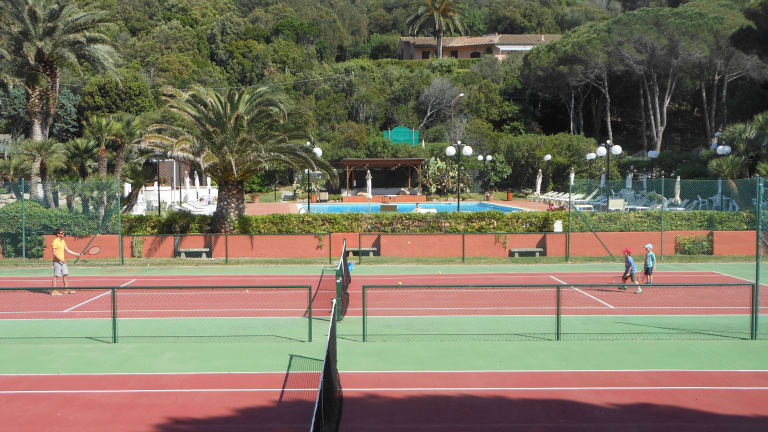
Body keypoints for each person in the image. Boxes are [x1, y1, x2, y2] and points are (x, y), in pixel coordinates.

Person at [51, 228, 82, 295]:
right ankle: (54, 291)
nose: (63, 234)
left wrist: (76, 254)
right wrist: (61, 260)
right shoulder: (55, 241)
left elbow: (67, 250)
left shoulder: (63, 241)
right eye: (62, 233)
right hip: (57, 261)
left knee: (65, 275)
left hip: (63, 261)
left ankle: (66, 289)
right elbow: (54, 253)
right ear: (58, 234)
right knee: (56, 276)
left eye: (63, 233)